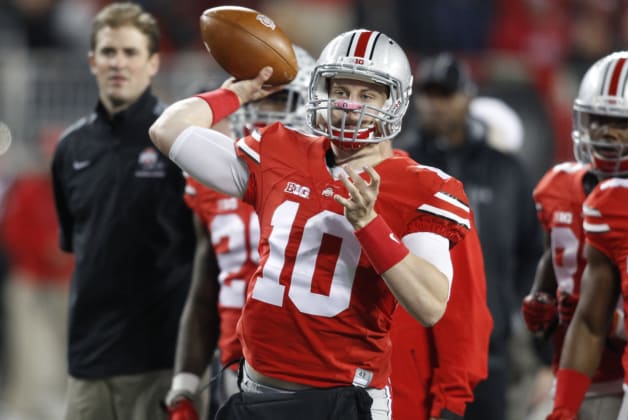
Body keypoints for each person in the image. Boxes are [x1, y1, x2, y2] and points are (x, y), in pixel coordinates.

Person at [150, 28, 472, 420]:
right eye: (341, 91)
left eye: (367, 94)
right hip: (254, 390)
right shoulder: (281, 150)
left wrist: (369, 225)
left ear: (395, 100)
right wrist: (238, 93)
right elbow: (167, 130)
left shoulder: (420, 185)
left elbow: (430, 305)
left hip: (342, 401)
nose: (350, 106)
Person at [50, 3, 195, 420]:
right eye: (109, 52)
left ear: (153, 63)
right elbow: (78, 245)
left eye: (131, 53)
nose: (119, 63)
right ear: (92, 60)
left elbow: (203, 250)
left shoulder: (181, 146)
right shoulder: (70, 148)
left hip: (160, 361)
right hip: (87, 364)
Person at [164, 45, 316, 420]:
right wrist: (183, 383)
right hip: (232, 366)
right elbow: (205, 290)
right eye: (261, 96)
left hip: (309, 371)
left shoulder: (328, 177)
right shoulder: (212, 175)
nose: (268, 111)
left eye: (281, 99)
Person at [403, 52, 542, 420]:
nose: (435, 105)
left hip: (490, 343)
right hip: (417, 342)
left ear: (467, 96)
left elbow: (532, 247)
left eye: (445, 94)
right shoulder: (403, 163)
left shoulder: (505, 169)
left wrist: (510, 303)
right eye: (428, 94)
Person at [545, 51, 628, 420]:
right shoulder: (610, 203)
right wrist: (564, 406)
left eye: (621, 123)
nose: (607, 135)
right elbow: (591, 321)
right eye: (598, 120)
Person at [0, 125, 74, 420]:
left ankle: (59, 403)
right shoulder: (28, 188)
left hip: (65, 282)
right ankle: (24, 406)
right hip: (29, 281)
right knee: (29, 348)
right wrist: (44, 250)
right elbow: (11, 233)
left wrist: (64, 251)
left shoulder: (76, 192)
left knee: (66, 349)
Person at [390, 215, 493, 420]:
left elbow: (464, 313)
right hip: (328, 383)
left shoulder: (436, 197)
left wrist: (451, 401)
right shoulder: (324, 189)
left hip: (406, 397)